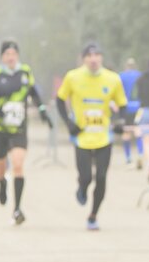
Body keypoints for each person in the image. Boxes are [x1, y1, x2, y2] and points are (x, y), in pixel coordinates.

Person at [0, 40, 52, 226]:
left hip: (19, 128)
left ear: (17, 56)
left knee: (18, 164)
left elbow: (34, 94)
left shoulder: (25, 72)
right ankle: (2, 183)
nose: (11, 57)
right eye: (7, 54)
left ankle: (17, 208)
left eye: (14, 54)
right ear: (2, 57)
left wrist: (42, 110)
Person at [55, 43, 129, 231]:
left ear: (101, 58)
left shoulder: (113, 79)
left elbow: (122, 104)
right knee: (86, 176)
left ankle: (93, 215)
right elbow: (60, 100)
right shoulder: (73, 77)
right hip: (82, 137)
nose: (93, 59)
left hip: (104, 136)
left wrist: (120, 121)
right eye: (89, 56)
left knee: (102, 177)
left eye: (97, 55)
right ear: (83, 59)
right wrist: (68, 123)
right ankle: (82, 187)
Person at [119, 57, 142, 169]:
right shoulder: (140, 75)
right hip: (139, 107)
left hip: (126, 107)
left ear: (126, 66)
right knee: (138, 130)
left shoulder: (121, 76)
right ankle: (140, 154)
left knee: (126, 132)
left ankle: (128, 158)